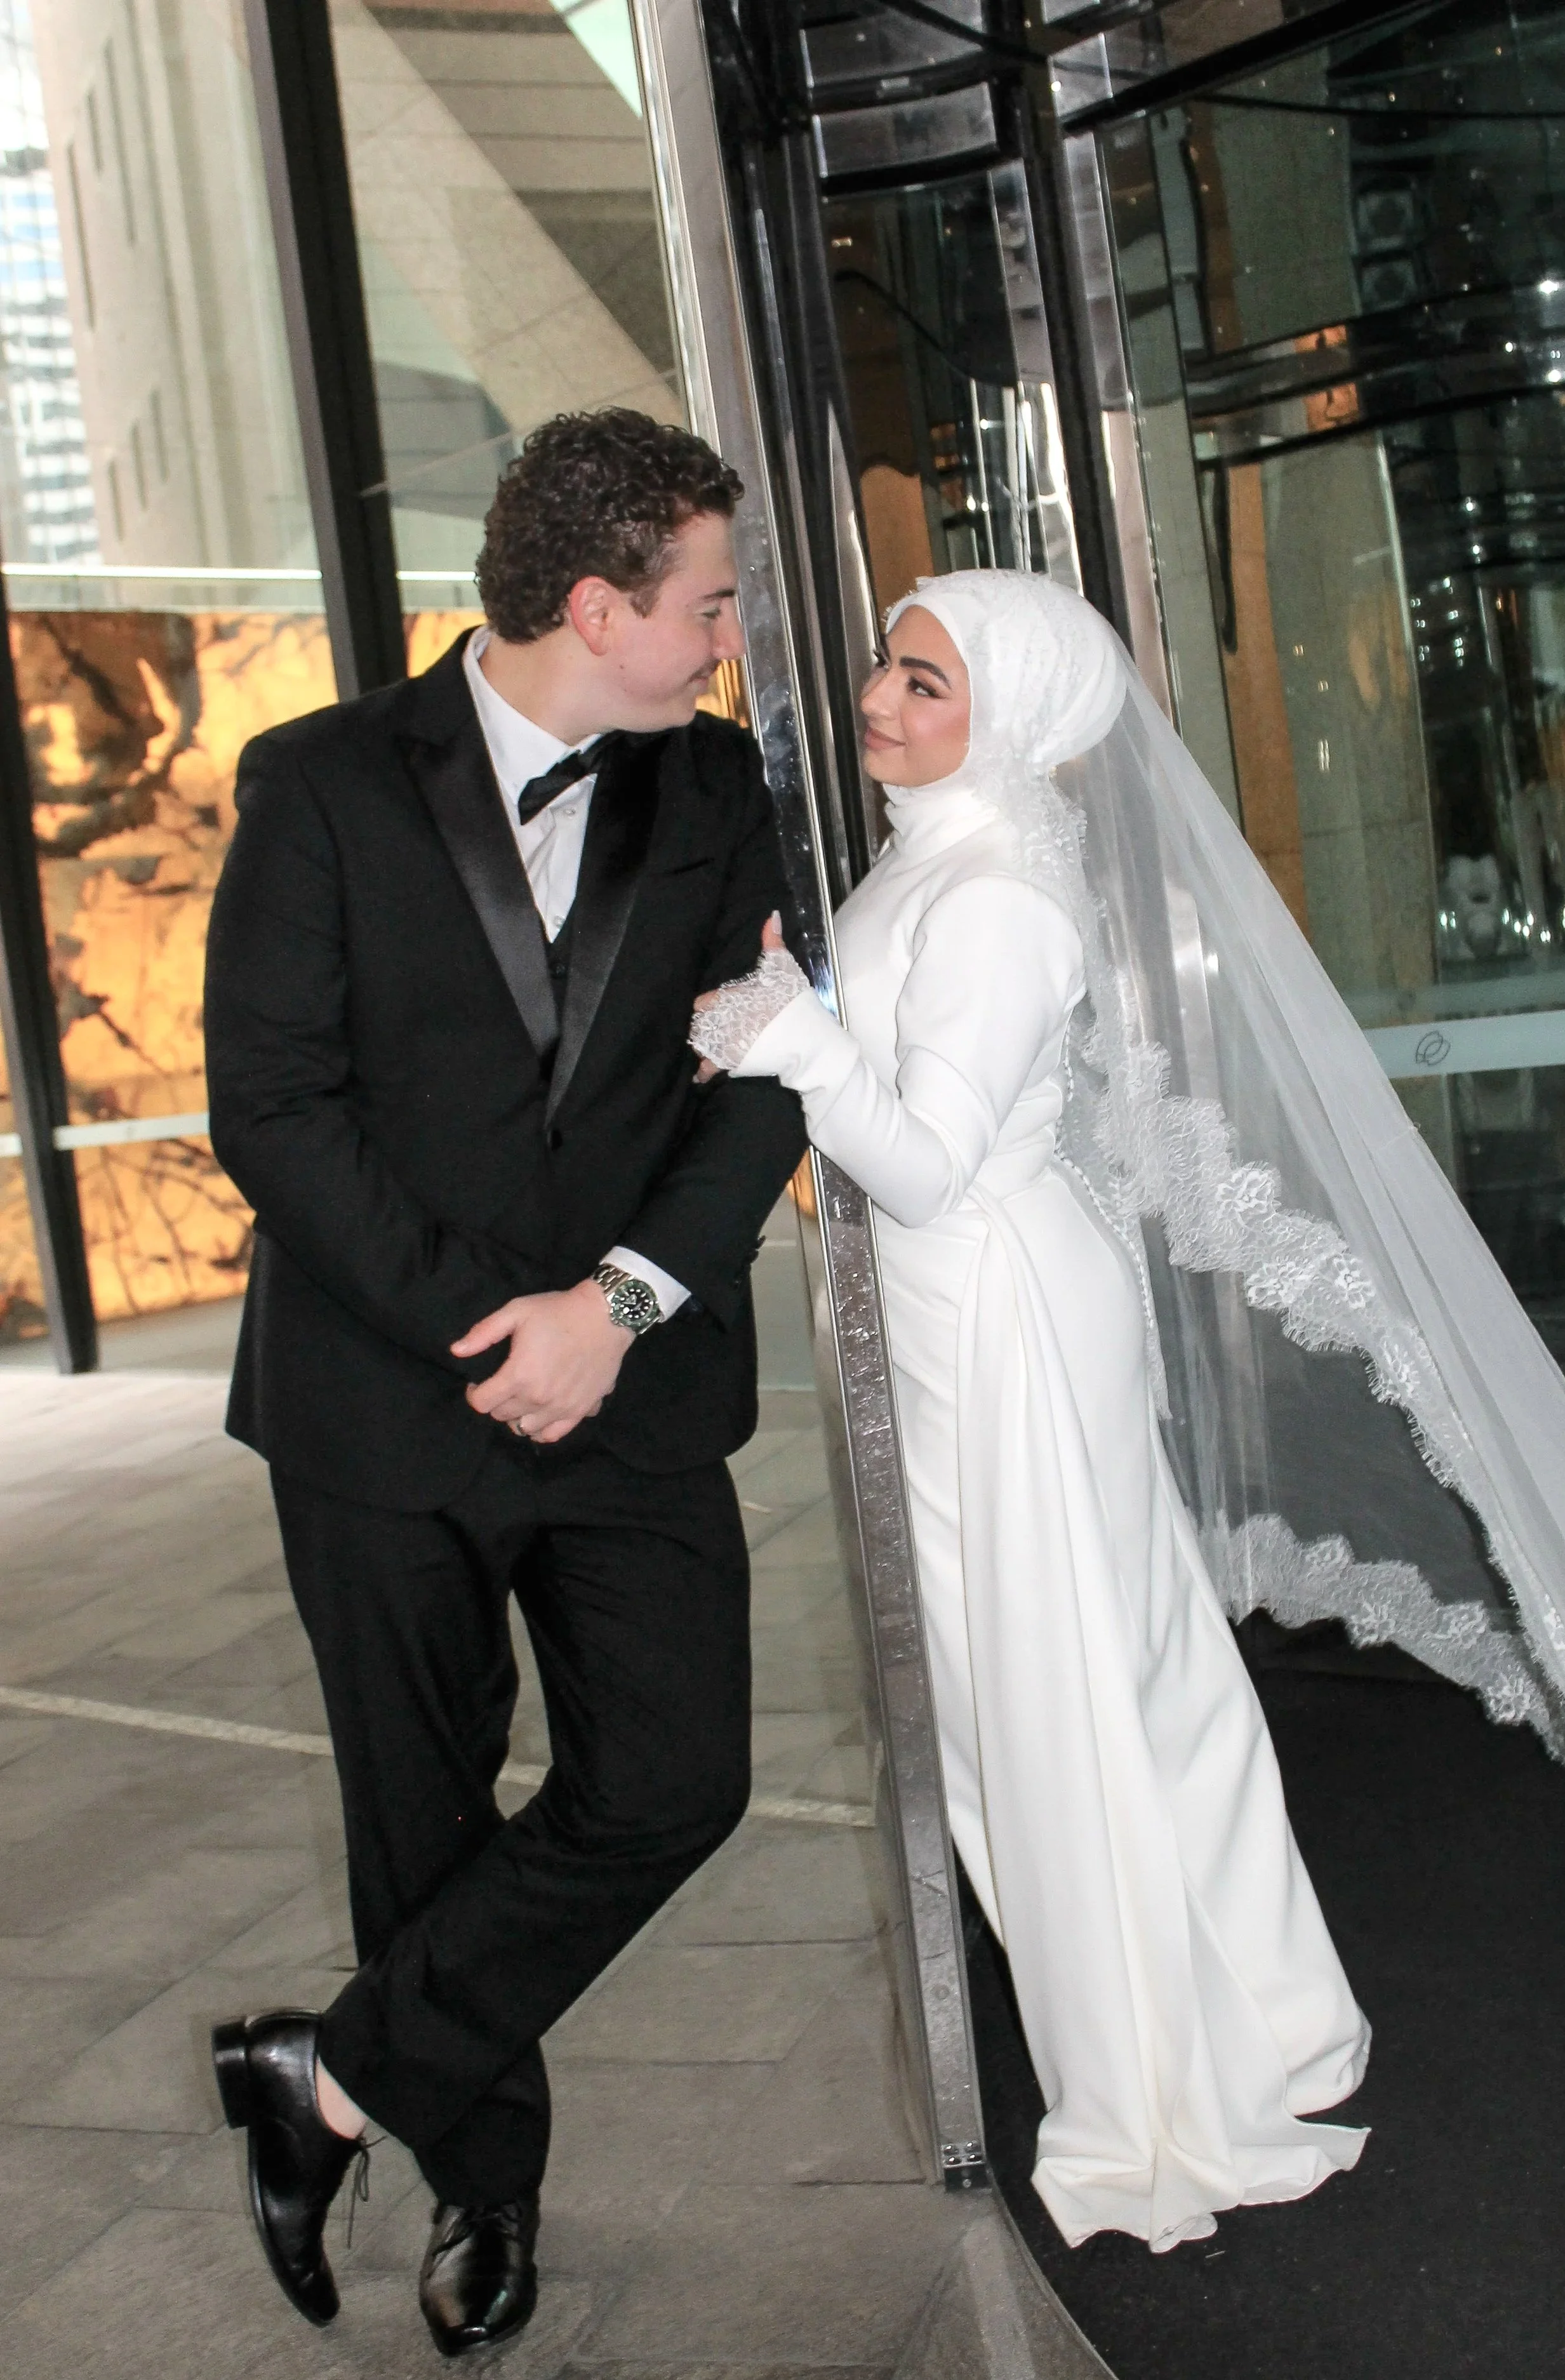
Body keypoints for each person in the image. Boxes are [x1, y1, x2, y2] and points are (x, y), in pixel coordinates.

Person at [691, 569, 1565, 2253]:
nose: (882, 698)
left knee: (1058, 1696)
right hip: (979, 1305)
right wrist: (797, 1032)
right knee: (1111, 1675)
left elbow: (930, 1160)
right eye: (891, 665)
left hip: (1000, 1314)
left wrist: (793, 1042)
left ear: (1010, 718)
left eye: (924, 680)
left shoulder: (1001, 901)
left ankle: (1166, 2075)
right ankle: (1251, 2010)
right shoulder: (942, 857)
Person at [203, 408, 804, 2356]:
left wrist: (613, 1305)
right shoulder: (313, 781)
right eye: (704, 602)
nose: (726, 636)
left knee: (674, 1775)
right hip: (379, 1403)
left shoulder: (720, 788)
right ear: (592, 601)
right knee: (422, 1814)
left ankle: (336, 2076)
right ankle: (488, 2188)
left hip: (633, 1383)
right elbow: (272, 1108)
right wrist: (497, 1324)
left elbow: (763, 1073)